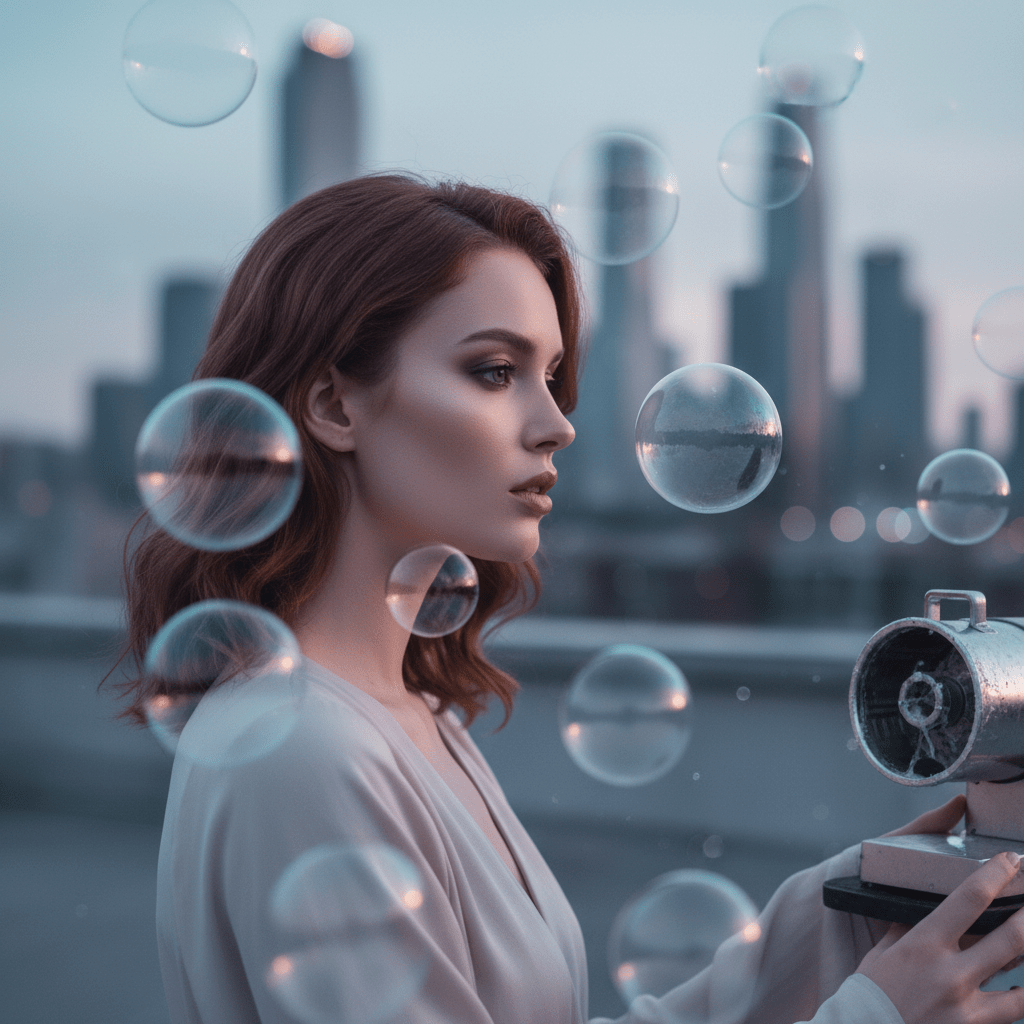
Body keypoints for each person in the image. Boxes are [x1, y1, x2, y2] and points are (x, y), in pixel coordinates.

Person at [114, 174, 1024, 1024]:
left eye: (550, 376)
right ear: (332, 406)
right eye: (494, 371)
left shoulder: (408, 716)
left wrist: (860, 906)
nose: (558, 424)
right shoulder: (301, 752)